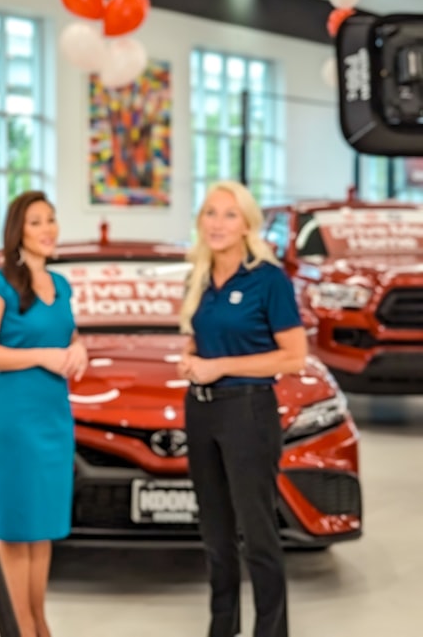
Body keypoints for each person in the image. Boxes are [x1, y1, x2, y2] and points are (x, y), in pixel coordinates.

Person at [177, 180, 306, 637]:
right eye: (210, 213)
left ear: (248, 223)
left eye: (229, 214)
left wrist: (220, 366)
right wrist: (192, 359)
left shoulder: (268, 279)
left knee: (258, 537)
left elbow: (295, 356)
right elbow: (199, 336)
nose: (217, 223)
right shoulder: (198, 274)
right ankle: (222, 629)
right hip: (202, 411)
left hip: (248, 412)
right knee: (215, 537)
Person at [0, 190, 88, 637]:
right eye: (37, 221)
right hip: (17, 420)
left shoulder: (61, 285)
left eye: (52, 219)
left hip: (55, 416)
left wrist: (78, 348)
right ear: (18, 229)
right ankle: (17, 626)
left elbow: (69, 334)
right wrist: (43, 355)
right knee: (18, 529)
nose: (48, 229)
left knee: (42, 529)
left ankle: (38, 621)